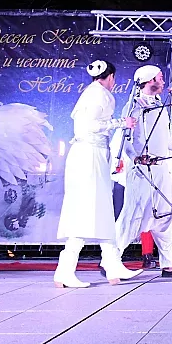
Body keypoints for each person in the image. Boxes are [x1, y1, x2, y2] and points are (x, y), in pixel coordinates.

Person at [55, 60, 141, 287]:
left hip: (93, 154)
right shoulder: (99, 94)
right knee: (86, 209)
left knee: (102, 208)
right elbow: (89, 126)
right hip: (89, 156)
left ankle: (112, 264)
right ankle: (65, 270)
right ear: (110, 77)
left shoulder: (92, 93)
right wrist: (121, 123)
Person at [114, 65, 172, 278]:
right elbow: (125, 140)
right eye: (160, 78)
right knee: (133, 215)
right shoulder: (133, 106)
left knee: (166, 217)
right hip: (142, 172)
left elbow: (166, 142)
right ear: (148, 80)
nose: (163, 81)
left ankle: (169, 265)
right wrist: (136, 158)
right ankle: (110, 260)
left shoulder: (161, 107)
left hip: (162, 170)